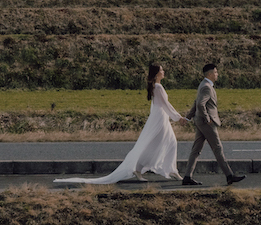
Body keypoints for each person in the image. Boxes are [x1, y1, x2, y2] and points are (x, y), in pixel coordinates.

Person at [54, 63, 186, 184]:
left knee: (164, 142)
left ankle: (166, 170)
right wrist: (178, 118)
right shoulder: (158, 87)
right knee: (166, 142)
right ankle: (157, 170)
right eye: (161, 70)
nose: (163, 72)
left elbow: (158, 106)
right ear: (157, 73)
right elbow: (165, 105)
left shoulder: (156, 86)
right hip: (160, 119)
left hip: (160, 118)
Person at [182, 62, 245, 186]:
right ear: (210, 74)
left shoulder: (203, 84)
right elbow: (200, 104)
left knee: (196, 150)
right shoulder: (207, 86)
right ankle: (229, 176)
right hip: (206, 123)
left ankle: (187, 177)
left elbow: (196, 102)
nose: (217, 74)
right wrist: (207, 119)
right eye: (215, 72)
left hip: (200, 121)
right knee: (218, 148)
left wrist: (188, 117)